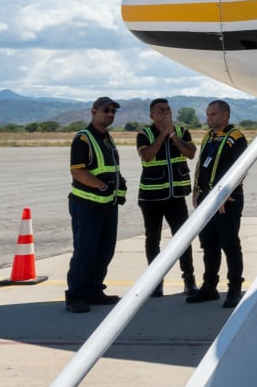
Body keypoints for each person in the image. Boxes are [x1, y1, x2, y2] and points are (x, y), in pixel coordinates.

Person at [65, 96, 127, 313]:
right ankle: (76, 296)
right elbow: (78, 170)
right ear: (93, 111)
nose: (110, 114)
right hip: (87, 205)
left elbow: (111, 170)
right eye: (106, 110)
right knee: (85, 251)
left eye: (113, 111)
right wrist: (101, 186)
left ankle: (94, 290)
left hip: (107, 206)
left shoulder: (107, 138)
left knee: (105, 250)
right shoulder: (83, 139)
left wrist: (120, 188)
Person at [187, 100, 248, 308]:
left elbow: (241, 168)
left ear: (225, 115)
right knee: (208, 244)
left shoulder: (235, 138)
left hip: (226, 200)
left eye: (213, 114)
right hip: (206, 198)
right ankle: (209, 286)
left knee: (229, 244)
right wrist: (196, 189)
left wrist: (225, 193)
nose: (209, 118)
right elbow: (200, 164)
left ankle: (234, 288)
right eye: (207, 114)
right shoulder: (209, 136)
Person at [136, 98, 198, 297]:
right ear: (151, 115)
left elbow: (190, 153)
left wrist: (172, 135)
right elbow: (147, 155)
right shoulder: (144, 134)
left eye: (167, 109)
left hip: (176, 197)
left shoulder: (181, 132)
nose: (165, 113)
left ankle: (189, 280)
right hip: (152, 198)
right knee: (152, 239)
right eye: (160, 110)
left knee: (182, 238)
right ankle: (155, 282)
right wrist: (162, 135)